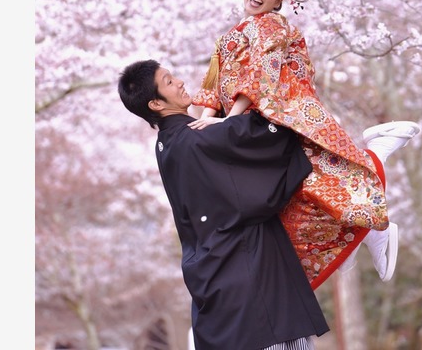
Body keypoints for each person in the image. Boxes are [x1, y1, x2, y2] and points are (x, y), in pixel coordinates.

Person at [188, 0, 421, 288]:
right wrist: (207, 119)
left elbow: (260, 75)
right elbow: (215, 80)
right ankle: (358, 231)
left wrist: (228, 121)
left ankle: (374, 174)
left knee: (303, 185)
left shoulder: (270, 25)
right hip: (245, 120)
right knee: (297, 193)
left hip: (268, 118)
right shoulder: (237, 30)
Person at [118, 59, 330, 350]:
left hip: (214, 280)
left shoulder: (166, 146)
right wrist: (239, 113)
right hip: (253, 281)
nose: (179, 81)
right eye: (168, 81)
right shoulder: (201, 137)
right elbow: (278, 133)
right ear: (156, 104)